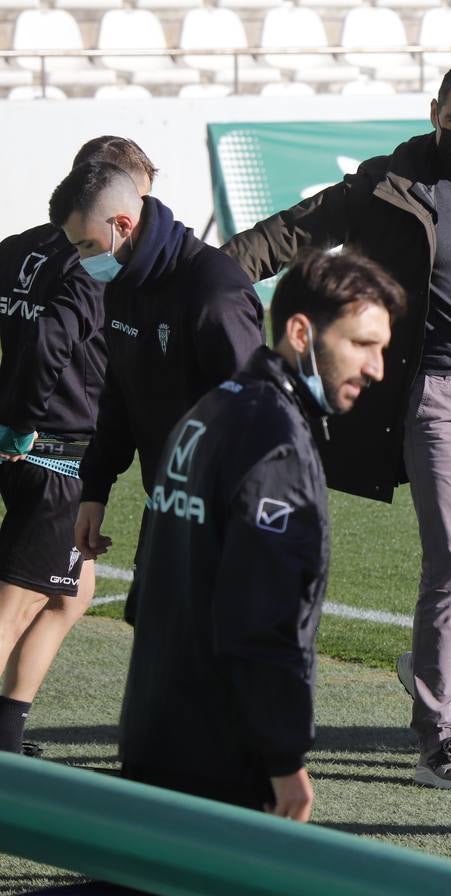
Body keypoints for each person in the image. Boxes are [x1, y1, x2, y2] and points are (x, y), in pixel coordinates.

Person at [222, 63, 451, 790]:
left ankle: (442, 665)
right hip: (433, 393)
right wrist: (208, 272)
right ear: (435, 109)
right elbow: (290, 232)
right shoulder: (387, 182)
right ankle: (440, 730)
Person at [119, 249, 404, 819]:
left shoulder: (214, 409)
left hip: (154, 721)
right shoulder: (275, 440)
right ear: (301, 331)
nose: (377, 368)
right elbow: (261, 614)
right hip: (220, 751)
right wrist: (282, 761)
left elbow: (145, 588)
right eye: (362, 344)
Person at [0, 137, 157, 756]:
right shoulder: (92, 263)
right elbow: (48, 345)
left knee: (75, 590)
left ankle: (8, 728)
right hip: (55, 448)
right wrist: (23, 419)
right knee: (17, 603)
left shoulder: (17, 249)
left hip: (26, 446)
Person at [51, 162, 265, 590]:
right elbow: (119, 394)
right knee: (154, 641)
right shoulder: (123, 285)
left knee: (218, 652)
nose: (83, 259)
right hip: (167, 502)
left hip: (224, 514)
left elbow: (256, 416)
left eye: (88, 245)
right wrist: (94, 489)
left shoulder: (213, 292)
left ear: (123, 225)